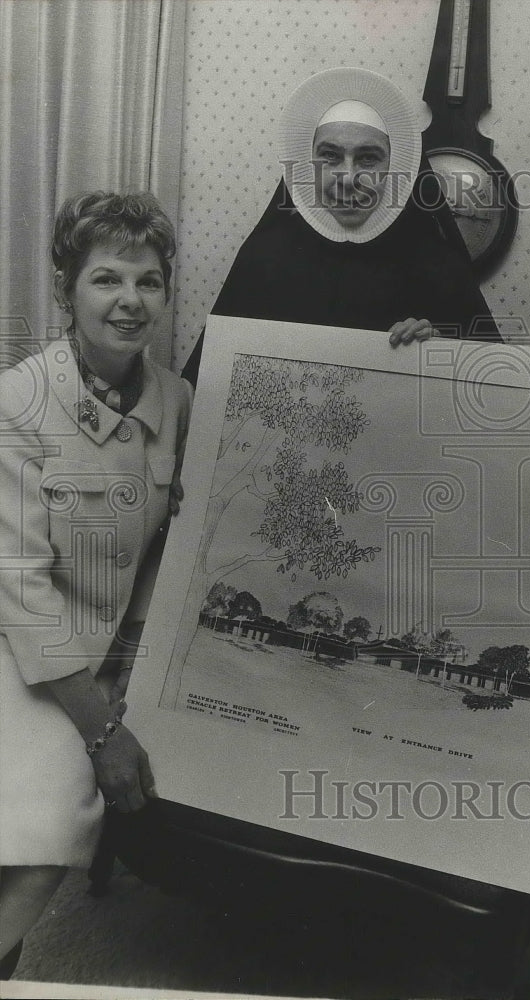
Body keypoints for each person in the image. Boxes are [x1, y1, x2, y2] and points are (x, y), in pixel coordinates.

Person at [0, 191, 193, 976]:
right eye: (106, 279)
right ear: (65, 290)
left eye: (148, 282)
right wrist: (102, 729)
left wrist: (140, 664)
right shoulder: (18, 401)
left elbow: (158, 552)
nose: (129, 302)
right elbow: (19, 587)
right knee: (43, 835)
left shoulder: (175, 399)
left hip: (120, 656)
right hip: (27, 656)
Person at [180, 65, 499, 385]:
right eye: (330, 157)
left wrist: (439, 353)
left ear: (396, 165)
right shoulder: (264, 257)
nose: (348, 178)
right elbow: (207, 389)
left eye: (368, 158)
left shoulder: (438, 265)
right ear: (308, 166)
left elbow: (494, 392)